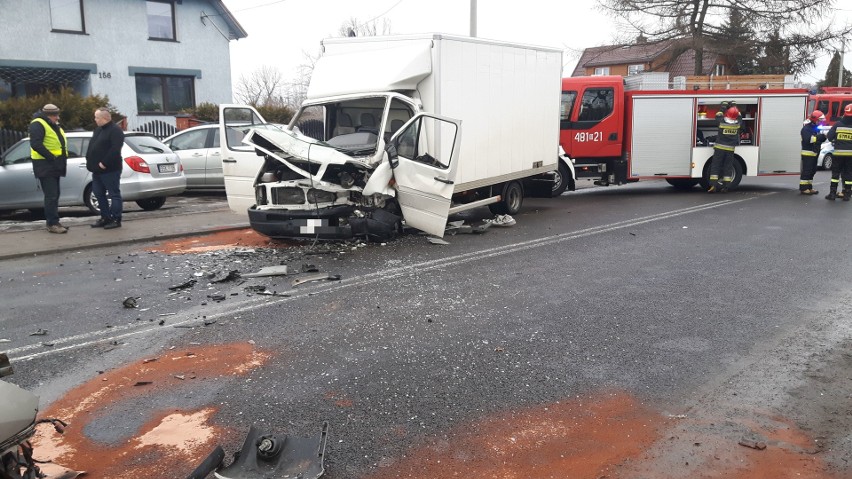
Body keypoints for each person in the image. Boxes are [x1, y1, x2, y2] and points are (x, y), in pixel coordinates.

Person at [29, 104, 68, 234]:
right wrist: (51, 157)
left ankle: (54, 221)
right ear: (49, 115)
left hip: (55, 165)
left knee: (55, 194)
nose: (58, 118)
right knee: (51, 196)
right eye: (56, 115)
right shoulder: (38, 124)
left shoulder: (52, 124)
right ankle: (52, 224)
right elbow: (35, 144)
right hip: (45, 165)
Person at [85, 107, 125, 228]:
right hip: (96, 170)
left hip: (110, 169)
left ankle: (116, 218)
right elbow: (93, 145)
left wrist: (104, 163)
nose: (95, 119)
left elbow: (115, 149)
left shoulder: (115, 130)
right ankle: (105, 217)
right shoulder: (98, 130)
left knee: (114, 194)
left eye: (97, 117)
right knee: (98, 193)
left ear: (104, 118)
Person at [707, 101, 743, 193]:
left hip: (719, 149)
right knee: (728, 167)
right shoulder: (737, 124)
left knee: (716, 166)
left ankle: (713, 186)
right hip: (730, 150)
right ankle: (726, 187)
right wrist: (734, 105)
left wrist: (724, 106)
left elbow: (718, 115)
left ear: (727, 114)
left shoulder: (722, 122)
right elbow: (739, 116)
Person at [825, 103, 852, 201]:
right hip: (850, 155)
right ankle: (847, 194)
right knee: (849, 174)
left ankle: (832, 194)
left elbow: (829, 137)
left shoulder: (837, 124)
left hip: (838, 154)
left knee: (835, 174)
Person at [799, 110, 826, 195]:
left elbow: (817, 139)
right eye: (819, 120)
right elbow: (808, 140)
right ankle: (803, 188)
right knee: (807, 171)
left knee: (812, 171)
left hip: (814, 152)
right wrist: (819, 138)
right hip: (808, 153)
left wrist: (822, 138)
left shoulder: (815, 128)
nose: (820, 122)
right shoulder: (806, 128)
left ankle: (809, 187)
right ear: (815, 119)